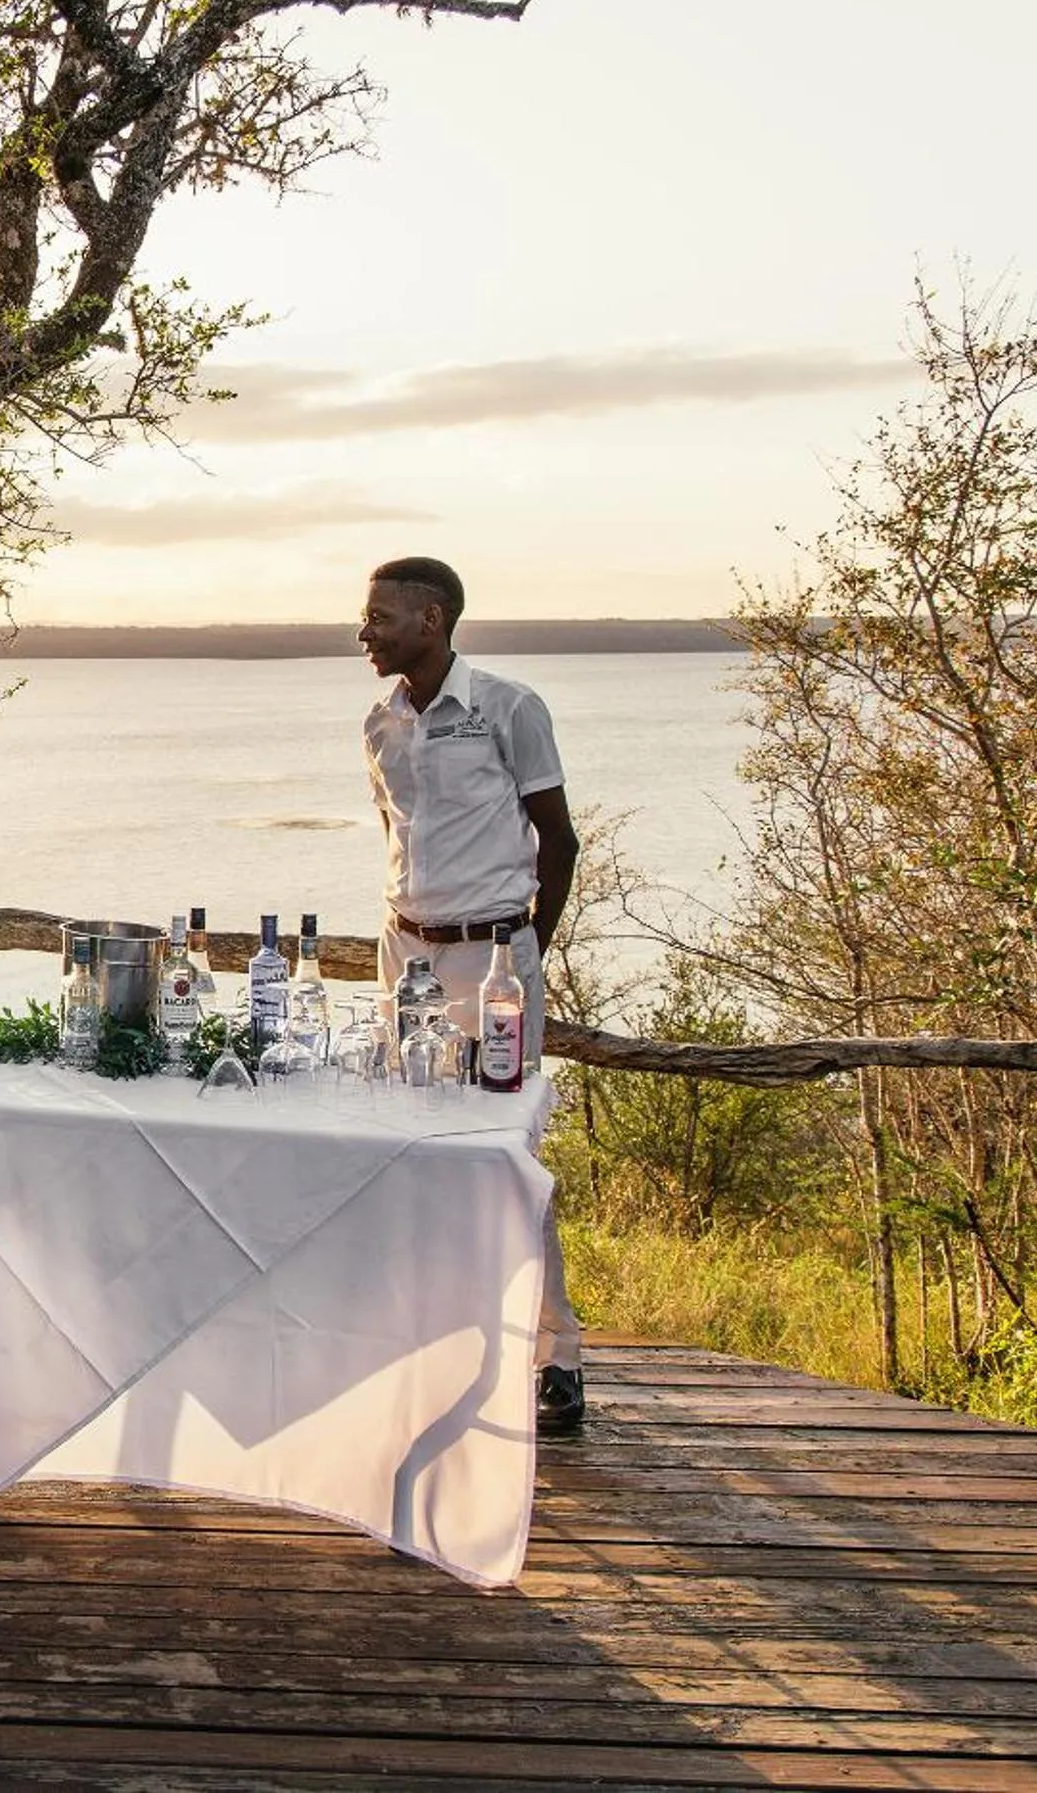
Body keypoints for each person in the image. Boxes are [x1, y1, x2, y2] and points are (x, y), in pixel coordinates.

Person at [355, 555, 589, 1435]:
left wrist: (525, 948)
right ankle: (431, 1339)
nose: (364, 633)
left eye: (379, 617)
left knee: (502, 1153)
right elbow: (397, 836)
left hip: (491, 959)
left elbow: (557, 840)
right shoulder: (379, 722)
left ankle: (555, 1356)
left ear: (432, 616)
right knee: (404, 1140)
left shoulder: (507, 708)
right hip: (402, 955)